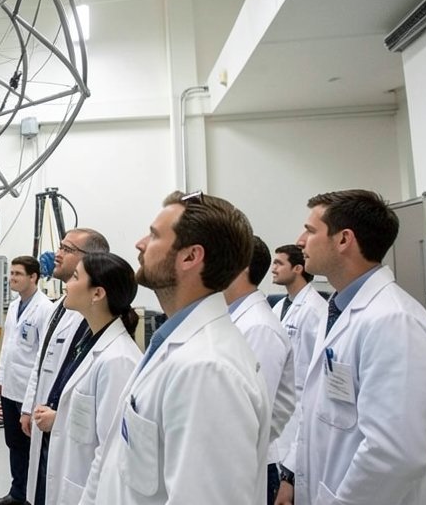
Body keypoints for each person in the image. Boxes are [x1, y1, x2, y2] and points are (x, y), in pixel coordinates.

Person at [86, 191, 270, 505]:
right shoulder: (173, 344)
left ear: (189, 257)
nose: (140, 244)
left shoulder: (208, 369)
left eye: (154, 235)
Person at [276, 190, 426, 505]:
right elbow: (315, 407)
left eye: (310, 231)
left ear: (343, 240)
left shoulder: (393, 322)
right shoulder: (338, 310)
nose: (300, 240)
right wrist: (292, 475)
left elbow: (395, 452)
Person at [37, 252, 142, 505]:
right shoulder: (89, 341)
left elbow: (111, 451)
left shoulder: (118, 359)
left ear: (97, 294)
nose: (67, 284)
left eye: (75, 277)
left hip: (88, 492)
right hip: (70, 475)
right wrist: (59, 418)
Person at [22, 228, 110, 504]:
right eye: (60, 247)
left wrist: (58, 418)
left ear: (91, 259)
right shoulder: (60, 304)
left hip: (64, 430)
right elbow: (42, 362)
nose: (57, 255)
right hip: (44, 420)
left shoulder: (91, 319)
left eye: (67, 249)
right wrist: (28, 406)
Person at [223, 235, 296, 505]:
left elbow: (257, 411)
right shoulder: (234, 315)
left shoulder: (258, 326)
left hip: (252, 464)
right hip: (235, 461)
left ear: (241, 266)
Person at [0, 256, 56, 505]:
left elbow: (41, 357)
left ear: (33, 277)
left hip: (29, 390)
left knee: (32, 449)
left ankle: (33, 497)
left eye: (17, 274)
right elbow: (8, 346)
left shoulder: (45, 309)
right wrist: (0, 378)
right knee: (14, 444)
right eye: (11, 273)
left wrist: (28, 405)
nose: (12, 278)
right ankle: (17, 494)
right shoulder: (15, 306)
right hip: (10, 388)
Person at [269, 243, 325, 477]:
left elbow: (318, 370)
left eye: (279, 263)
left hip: (301, 408)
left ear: (298, 269)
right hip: (282, 406)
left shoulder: (314, 309)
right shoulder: (280, 306)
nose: (273, 268)